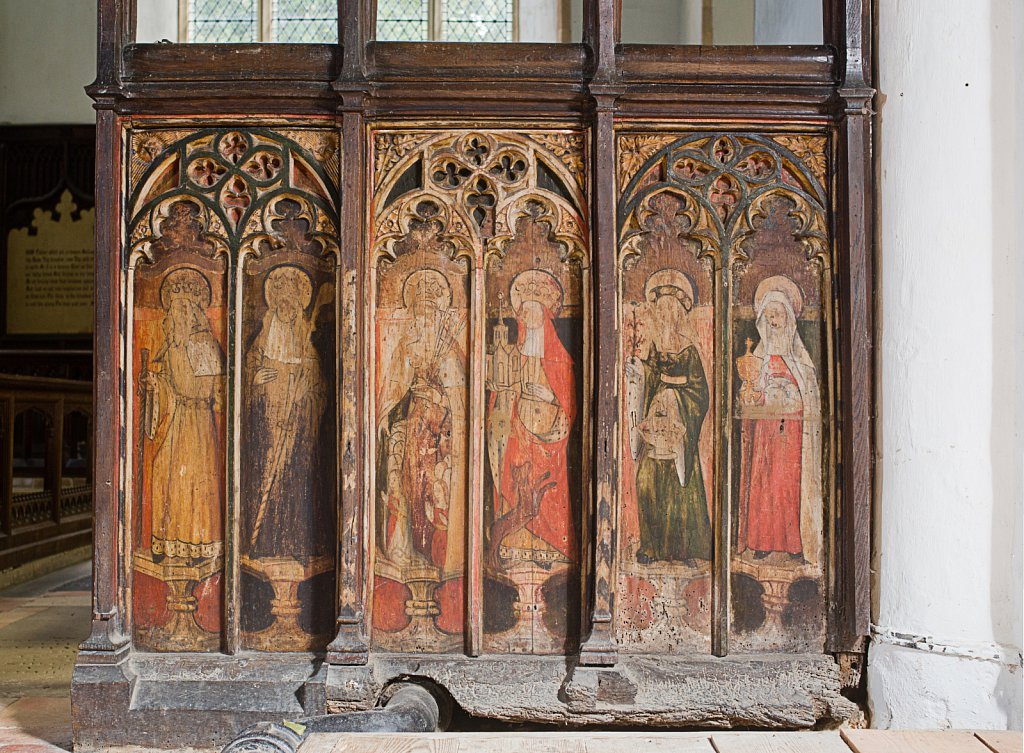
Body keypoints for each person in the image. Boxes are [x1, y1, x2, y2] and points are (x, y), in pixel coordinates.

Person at [377, 269, 467, 579]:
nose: (424, 318)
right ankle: (411, 549)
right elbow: (393, 390)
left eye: (430, 311)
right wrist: (385, 417)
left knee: (433, 493)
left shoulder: (449, 351)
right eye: (419, 311)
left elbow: (460, 403)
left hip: (441, 440)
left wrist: (438, 398)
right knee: (412, 488)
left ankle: (435, 553)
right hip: (414, 430)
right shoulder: (408, 345)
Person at [488, 270, 577, 568]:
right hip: (518, 431)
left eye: (533, 312)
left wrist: (548, 396)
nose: (527, 318)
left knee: (546, 489)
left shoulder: (559, 359)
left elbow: (567, 404)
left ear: (544, 316)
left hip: (548, 435)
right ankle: (516, 546)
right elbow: (500, 391)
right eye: (523, 313)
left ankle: (550, 547)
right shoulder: (515, 354)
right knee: (518, 487)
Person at [245, 264, 330, 563]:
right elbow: (248, 373)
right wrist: (254, 379)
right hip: (267, 423)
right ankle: (265, 541)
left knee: (296, 475)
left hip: (297, 425)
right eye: (280, 302)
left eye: (291, 303)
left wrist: (306, 393)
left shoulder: (306, 345)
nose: (285, 307)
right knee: (266, 471)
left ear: (298, 308)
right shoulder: (263, 341)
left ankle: (295, 542)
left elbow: (320, 388)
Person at [625, 269, 711, 566]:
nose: (663, 315)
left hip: (678, 429)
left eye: (668, 309)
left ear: (678, 313)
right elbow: (648, 380)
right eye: (659, 309)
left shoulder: (689, 351)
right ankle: (651, 546)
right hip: (654, 427)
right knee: (647, 481)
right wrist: (638, 371)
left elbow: (700, 394)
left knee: (679, 484)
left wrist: (675, 394)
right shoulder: (652, 348)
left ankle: (683, 548)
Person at [737, 275, 822, 565]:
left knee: (788, 485)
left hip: (792, 433)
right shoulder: (758, 355)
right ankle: (762, 541)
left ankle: (793, 543)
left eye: (778, 314)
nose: (773, 320)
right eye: (769, 315)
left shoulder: (802, 361)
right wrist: (752, 394)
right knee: (764, 483)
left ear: (788, 318)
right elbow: (749, 389)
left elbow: (809, 395)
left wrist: (789, 396)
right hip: (766, 433)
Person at [143, 267, 224, 563]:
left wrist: (169, 386)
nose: (176, 316)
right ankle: (168, 542)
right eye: (173, 310)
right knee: (168, 477)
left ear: (193, 313)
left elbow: (204, 388)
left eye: (182, 309)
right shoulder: (170, 347)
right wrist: (154, 383)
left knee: (193, 481)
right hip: (174, 421)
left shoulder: (203, 344)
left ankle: (198, 543)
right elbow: (167, 383)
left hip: (195, 423)